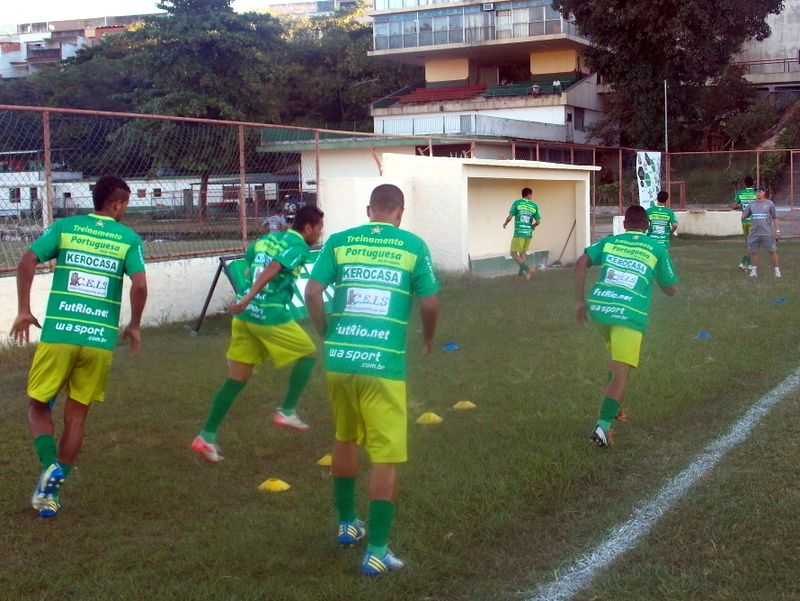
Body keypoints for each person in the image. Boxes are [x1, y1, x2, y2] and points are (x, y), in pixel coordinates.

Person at [305, 184, 439, 576]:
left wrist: (325, 332)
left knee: (344, 436)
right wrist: (428, 338)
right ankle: (377, 551)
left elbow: (312, 291)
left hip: (340, 359)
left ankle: (348, 523)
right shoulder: (412, 245)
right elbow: (430, 302)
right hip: (382, 365)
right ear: (400, 212)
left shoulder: (340, 242)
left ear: (370, 210)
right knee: (385, 455)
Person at [11, 175, 148, 518]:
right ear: (117, 204)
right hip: (99, 340)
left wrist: (24, 310)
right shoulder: (128, 238)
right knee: (76, 416)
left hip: (60, 333)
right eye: (125, 205)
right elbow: (140, 286)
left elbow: (26, 261)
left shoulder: (66, 227)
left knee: (37, 406)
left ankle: (49, 465)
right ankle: (51, 495)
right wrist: (133, 325)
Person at [191, 205, 325, 463]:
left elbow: (250, 261)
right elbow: (273, 267)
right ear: (308, 228)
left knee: (237, 378)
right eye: (318, 228)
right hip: (268, 313)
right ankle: (287, 410)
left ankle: (206, 436)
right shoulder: (299, 247)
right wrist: (251, 296)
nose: (319, 233)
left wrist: (246, 294)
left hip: (245, 318)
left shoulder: (268, 239)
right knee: (308, 354)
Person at [574, 205, 678, 448]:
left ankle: (616, 408)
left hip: (600, 309)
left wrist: (578, 301)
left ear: (624, 225)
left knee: (617, 361)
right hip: (628, 313)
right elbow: (671, 289)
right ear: (647, 226)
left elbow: (581, 263)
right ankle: (602, 427)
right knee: (622, 371)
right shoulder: (656, 248)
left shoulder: (610, 241)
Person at [503, 187, 541, 279]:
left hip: (519, 233)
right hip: (528, 233)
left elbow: (510, 217)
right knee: (522, 253)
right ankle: (520, 276)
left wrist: (505, 223)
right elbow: (538, 222)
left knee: (513, 253)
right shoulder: (534, 206)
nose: (532, 196)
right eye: (531, 194)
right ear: (529, 194)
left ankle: (528, 270)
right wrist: (532, 226)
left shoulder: (517, 203)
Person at [742, 185, 780, 278]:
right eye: (756, 191)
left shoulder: (769, 203)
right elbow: (744, 215)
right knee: (753, 251)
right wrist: (743, 213)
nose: (758, 193)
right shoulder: (751, 204)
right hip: (754, 233)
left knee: (772, 251)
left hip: (767, 233)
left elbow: (775, 217)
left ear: (764, 192)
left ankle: (777, 271)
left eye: (760, 191)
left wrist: (777, 230)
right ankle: (754, 271)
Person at [732, 176, 757, 272]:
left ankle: (749, 264)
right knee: (751, 242)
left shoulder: (740, 193)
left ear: (744, 183)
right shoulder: (756, 193)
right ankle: (743, 263)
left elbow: (734, 206)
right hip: (753, 220)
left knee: (748, 242)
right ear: (753, 183)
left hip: (744, 220)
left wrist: (741, 205)